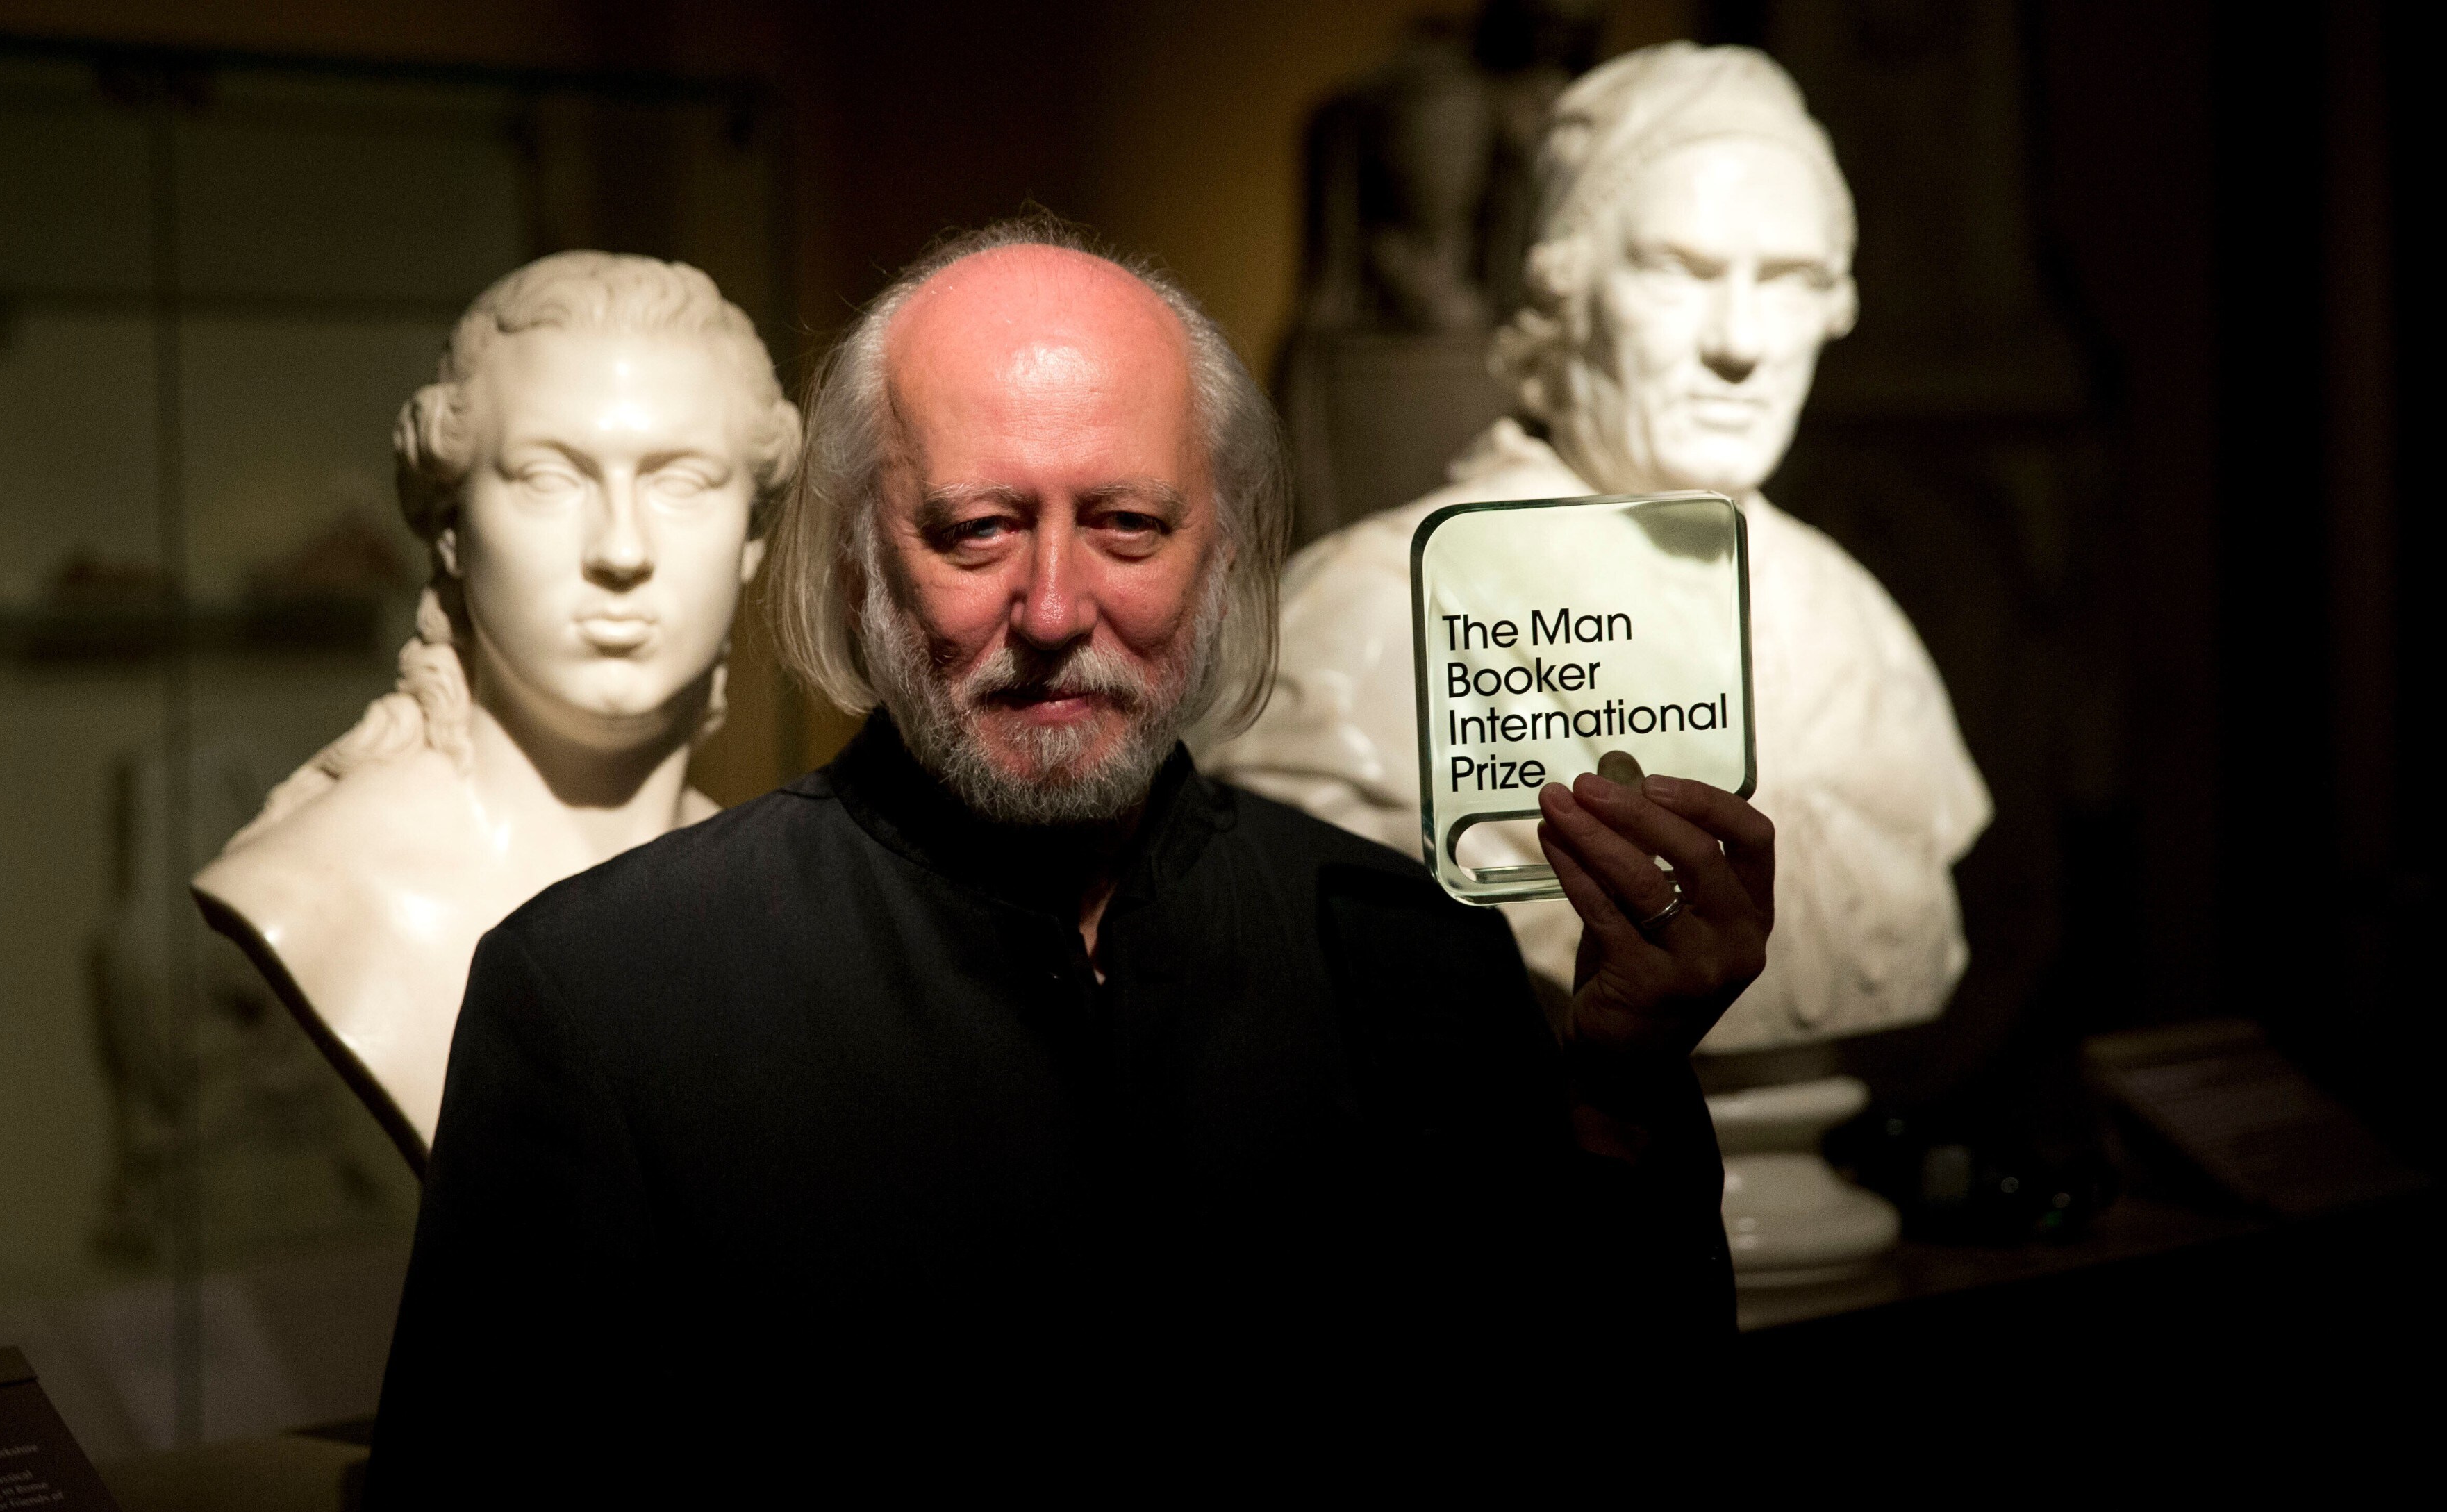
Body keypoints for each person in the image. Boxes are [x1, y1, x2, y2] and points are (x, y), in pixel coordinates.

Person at [367, 219, 1771, 1482]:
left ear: (1224, 553)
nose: (1052, 608)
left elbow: (1596, 1451)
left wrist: (1618, 1093)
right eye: (977, 530)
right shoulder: (606, 998)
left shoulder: (1411, 952)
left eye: (1127, 526)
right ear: (856, 563)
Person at [1204, 44, 1988, 1050]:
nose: (1740, 342)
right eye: (1679, 271)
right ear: (1563, 293)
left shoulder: (1859, 626)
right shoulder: (1365, 622)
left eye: (1790, 279)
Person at [193, 253, 799, 1161]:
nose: (622, 550)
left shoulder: (769, 917)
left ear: (751, 535)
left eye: (680, 481)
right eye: (551, 477)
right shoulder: (321, 899)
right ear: (449, 526)